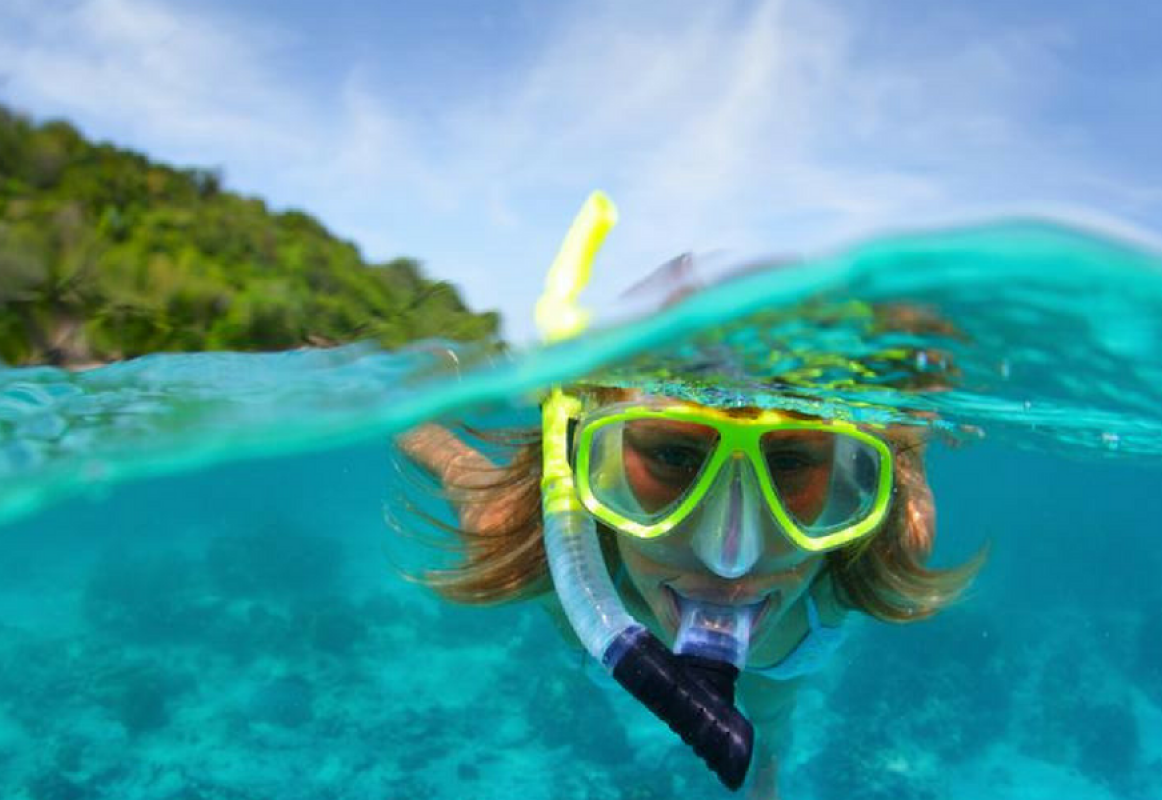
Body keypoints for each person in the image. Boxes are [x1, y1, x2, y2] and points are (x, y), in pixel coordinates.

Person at [395, 193, 984, 798]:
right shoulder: (515, 529)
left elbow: (904, 442)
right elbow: (436, 445)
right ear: (578, 461)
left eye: (790, 463)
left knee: (773, 709)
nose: (730, 558)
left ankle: (770, 763)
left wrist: (909, 413)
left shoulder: (891, 536)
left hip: (782, 659)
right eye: (674, 457)